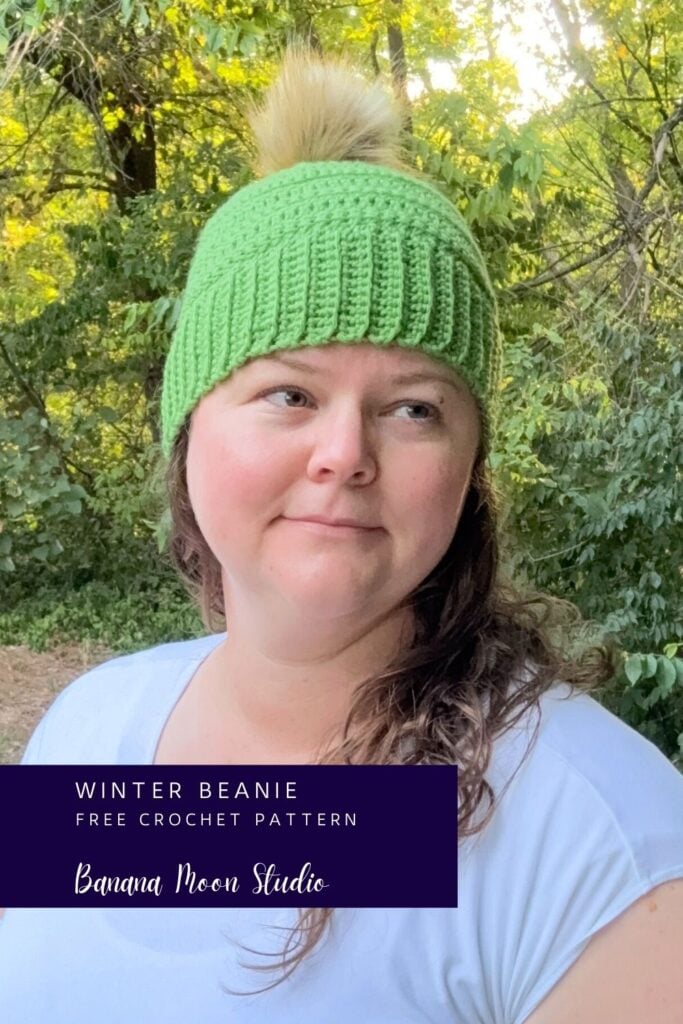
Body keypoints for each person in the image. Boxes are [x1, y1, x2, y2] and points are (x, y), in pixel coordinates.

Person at [1, 42, 682, 1024]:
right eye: (288, 392)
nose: (343, 453)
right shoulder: (88, 730)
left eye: (411, 409)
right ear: (188, 427)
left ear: (469, 465)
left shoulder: (599, 842)